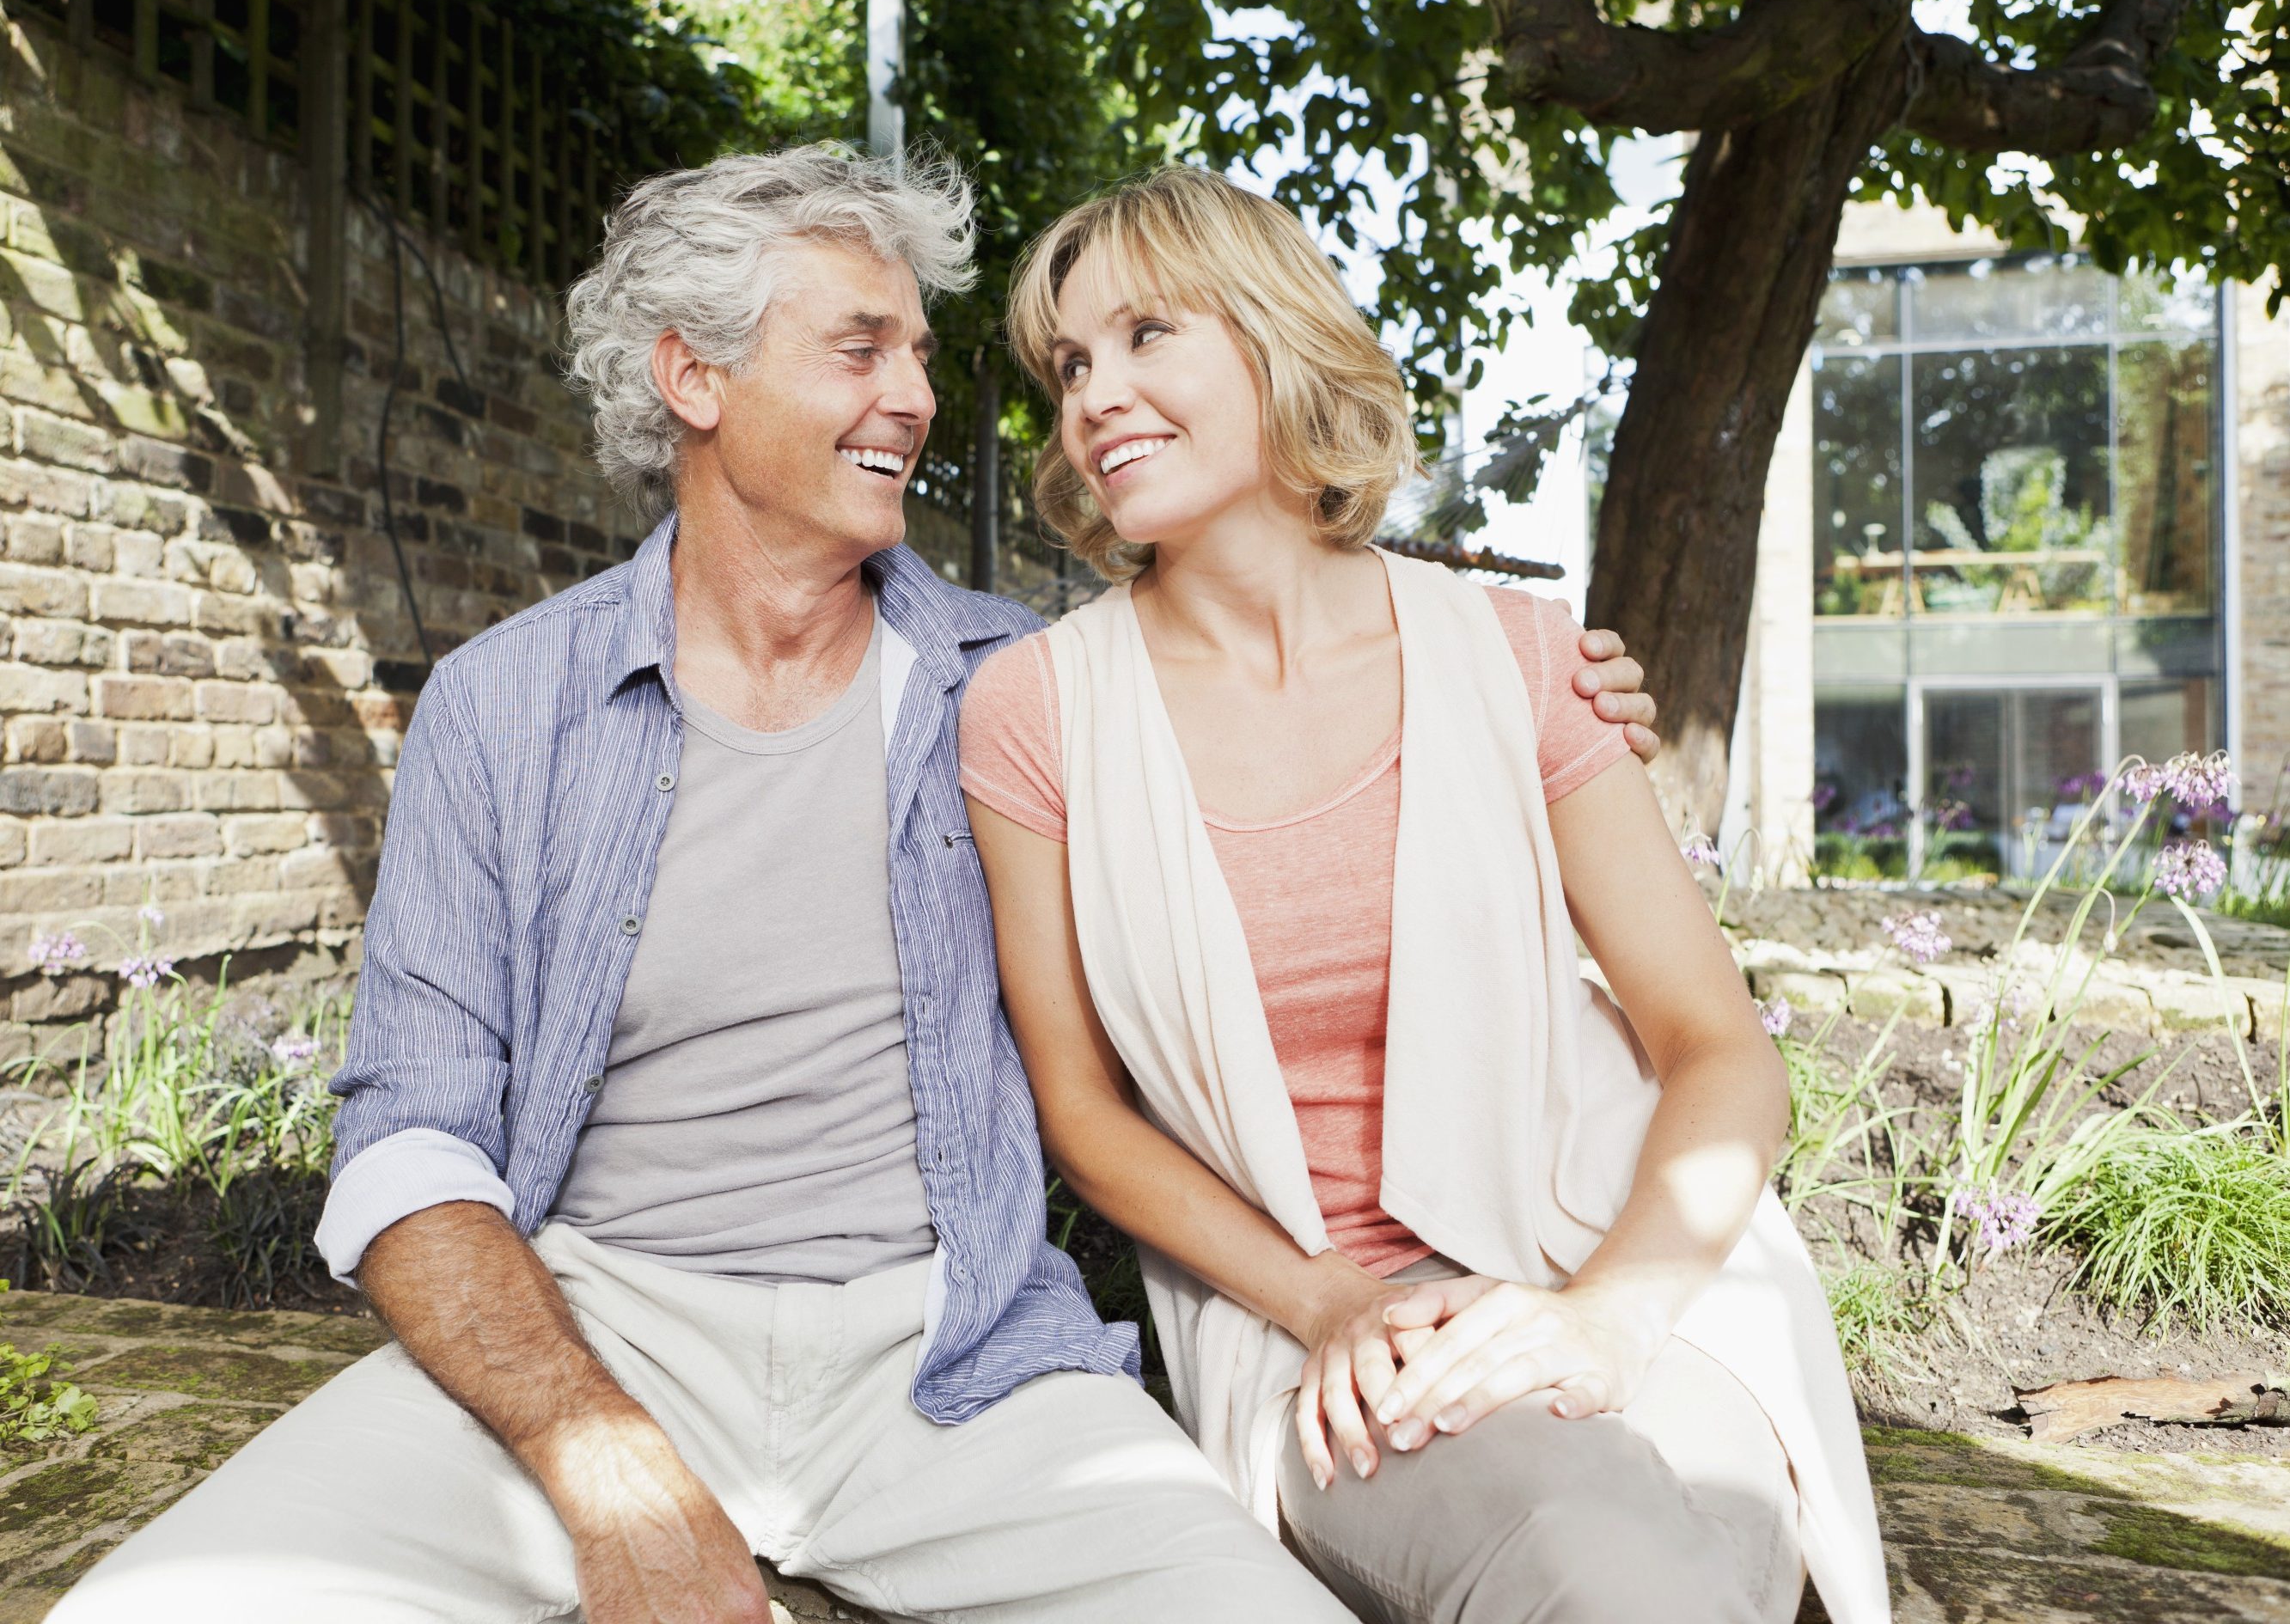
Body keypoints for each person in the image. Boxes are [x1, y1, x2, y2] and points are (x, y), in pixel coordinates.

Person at [49, 146, 1661, 1624]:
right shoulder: (503, 707)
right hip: (597, 1324)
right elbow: (410, 1136)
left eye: (921, 349)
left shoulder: (1029, 691)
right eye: (859, 347)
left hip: (957, 1354)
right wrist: (601, 1455)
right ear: (694, 378)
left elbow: (1293, 728)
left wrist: (1532, 698)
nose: (916, 393)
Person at [959, 167, 1890, 1624]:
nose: (1092, 394)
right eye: (1069, 363)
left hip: (1615, 1255)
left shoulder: (1515, 658)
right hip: (1317, 1322)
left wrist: (1605, 1322)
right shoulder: (1034, 712)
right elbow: (1082, 1115)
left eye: (1147, 335)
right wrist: (1335, 1304)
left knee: (1720, 1549)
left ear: (1276, 342)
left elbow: (1715, 1048)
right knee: (1617, 1569)